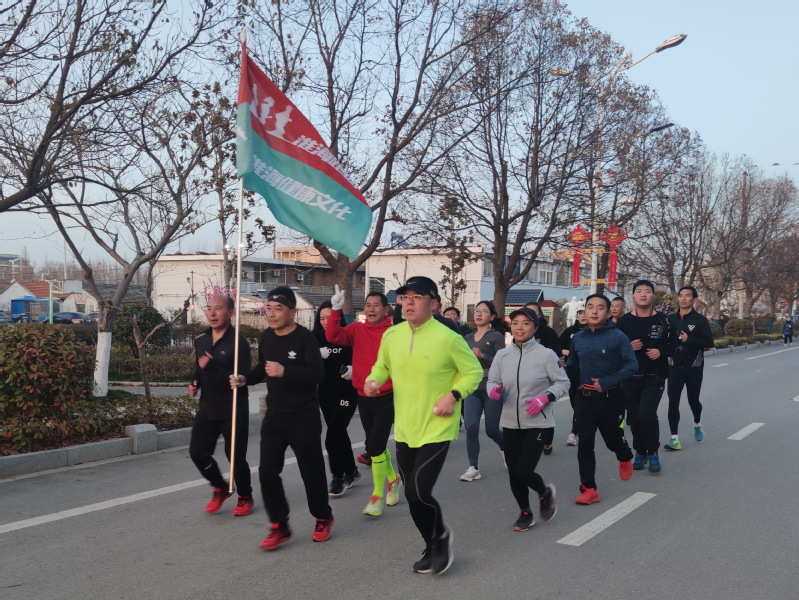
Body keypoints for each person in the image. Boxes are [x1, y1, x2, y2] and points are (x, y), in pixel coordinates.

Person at [366, 276, 482, 575]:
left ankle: (441, 536)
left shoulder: (448, 337)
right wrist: (374, 379)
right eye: (405, 297)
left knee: (418, 491)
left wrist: (453, 395)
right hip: (406, 426)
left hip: (437, 425)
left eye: (417, 297)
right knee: (411, 495)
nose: (409, 303)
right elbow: (382, 365)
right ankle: (431, 544)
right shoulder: (392, 335)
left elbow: (473, 372)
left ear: (433, 304)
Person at [231, 286, 333, 550]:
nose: (272, 314)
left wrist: (285, 371)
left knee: (311, 473)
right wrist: (245, 379)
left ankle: (323, 517)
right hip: (275, 417)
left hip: (303, 417)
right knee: (267, 472)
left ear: (292, 312)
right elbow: (262, 369)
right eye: (269, 308)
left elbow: (317, 374)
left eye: (279, 309)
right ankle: (280, 525)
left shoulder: (305, 339)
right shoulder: (267, 336)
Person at [487, 307, 569, 530]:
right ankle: (525, 512)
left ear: (535, 327)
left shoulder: (546, 355)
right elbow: (492, 380)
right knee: (514, 473)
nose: (519, 328)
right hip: (510, 422)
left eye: (525, 323)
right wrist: (493, 391)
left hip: (538, 422)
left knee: (523, 470)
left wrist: (546, 397)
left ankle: (544, 492)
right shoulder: (503, 356)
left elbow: (563, 382)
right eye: (515, 323)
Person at [325, 287, 401, 516]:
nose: (371, 309)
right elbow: (333, 336)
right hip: (363, 395)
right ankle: (393, 479)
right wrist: (336, 310)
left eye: (376, 305)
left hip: (387, 396)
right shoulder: (357, 329)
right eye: (368, 305)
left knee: (375, 447)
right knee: (376, 447)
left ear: (386, 309)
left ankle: (377, 496)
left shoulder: (394, 333)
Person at [565, 294, 637, 504]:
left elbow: (632, 365)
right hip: (584, 397)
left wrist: (607, 381)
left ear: (607, 312)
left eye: (600, 307)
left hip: (610, 398)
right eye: (590, 307)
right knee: (585, 444)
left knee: (612, 440)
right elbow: (573, 365)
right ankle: (589, 489)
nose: (594, 311)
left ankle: (624, 455)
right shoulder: (578, 338)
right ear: (584, 311)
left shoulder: (618, 336)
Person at [188, 294, 254, 517]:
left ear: (231, 312)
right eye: (209, 308)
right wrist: (194, 382)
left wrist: (213, 366)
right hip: (208, 407)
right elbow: (199, 366)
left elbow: (242, 378)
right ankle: (219, 486)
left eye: (218, 308)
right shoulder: (201, 339)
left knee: (234, 457)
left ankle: (245, 496)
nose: (212, 313)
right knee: (197, 452)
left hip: (233, 408)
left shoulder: (239, 343)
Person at [616, 280, 677, 473]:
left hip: (654, 375)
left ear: (653, 296)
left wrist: (661, 352)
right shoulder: (623, 322)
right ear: (632, 296)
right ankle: (640, 452)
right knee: (634, 417)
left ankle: (653, 452)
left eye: (647, 291)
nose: (643, 294)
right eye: (639, 291)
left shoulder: (664, 321)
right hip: (630, 376)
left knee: (647, 414)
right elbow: (613, 348)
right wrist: (628, 348)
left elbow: (676, 344)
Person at [312, 301, 361, 495]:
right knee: (339, 433)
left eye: (329, 318)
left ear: (338, 318)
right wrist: (316, 355)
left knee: (333, 435)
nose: (326, 322)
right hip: (326, 393)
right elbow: (304, 363)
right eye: (322, 318)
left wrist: (354, 368)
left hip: (347, 392)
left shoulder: (347, 335)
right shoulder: (314, 337)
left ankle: (338, 477)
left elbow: (363, 357)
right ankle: (352, 471)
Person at [459, 300, 509, 482]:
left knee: (491, 430)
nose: (478, 314)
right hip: (472, 387)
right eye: (477, 311)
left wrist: (483, 355)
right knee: (471, 426)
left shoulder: (496, 336)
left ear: (492, 316)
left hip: (491, 388)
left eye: (483, 311)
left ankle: (507, 449)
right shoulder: (467, 338)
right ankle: (473, 468)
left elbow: (502, 362)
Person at [665, 286, 715, 450]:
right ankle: (674, 439)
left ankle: (697, 423)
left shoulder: (700, 320)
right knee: (673, 402)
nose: (683, 298)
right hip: (674, 367)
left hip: (694, 367)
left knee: (693, 401)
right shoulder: (669, 319)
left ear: (694, 300)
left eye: (687, 296)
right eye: (681, 295)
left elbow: (709, 342)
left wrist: (689, 340)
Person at [523, 301, 561, 455]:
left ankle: (547, 440)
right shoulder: (521, 332)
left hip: (544, 376)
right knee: (526, 408)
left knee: (544, 410)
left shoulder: (547, 332)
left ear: (539, 314)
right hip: (525, 377)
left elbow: (557, 351)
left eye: (534, 312)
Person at [558, 302, 586, 446]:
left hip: (589, 374)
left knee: (581, 405)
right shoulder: (570, 331)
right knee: (575, 405)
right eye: (580, 313)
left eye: (585, 312)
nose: (583, 316)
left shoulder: (596, 331)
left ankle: (573, 433)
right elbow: (556, 347)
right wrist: (567, 353)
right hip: (572, 374)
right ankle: (582, 424)